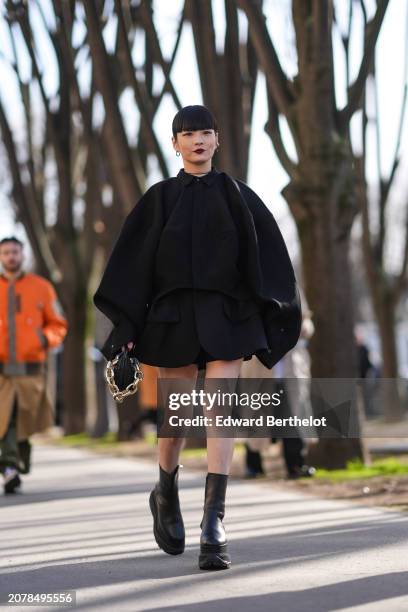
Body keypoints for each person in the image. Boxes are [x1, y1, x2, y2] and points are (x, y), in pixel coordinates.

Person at [94, 105, 302, 570]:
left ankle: (214, 521)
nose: (198, 141)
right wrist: (127, 332)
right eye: (188, 134)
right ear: (176, 144)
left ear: (217, 140)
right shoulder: (159, 198)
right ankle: (165, 489)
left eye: (206, 132)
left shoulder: (238, 196)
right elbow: (133, 269)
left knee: (220, 410)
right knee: (176, 419)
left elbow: (267, 259)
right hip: (172, 318)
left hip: (226, 316)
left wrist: (272, 316)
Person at [0, 236, 68, 494]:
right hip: (2, 370)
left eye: (14, 252)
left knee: (23, 420)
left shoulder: (41, 287)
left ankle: (17, 465)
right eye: (6, 253)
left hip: (31, 370)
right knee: (5, 420)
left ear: (22, 254)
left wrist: (43, 338)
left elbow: (58, 324)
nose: (11, 257)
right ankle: (8, 467)